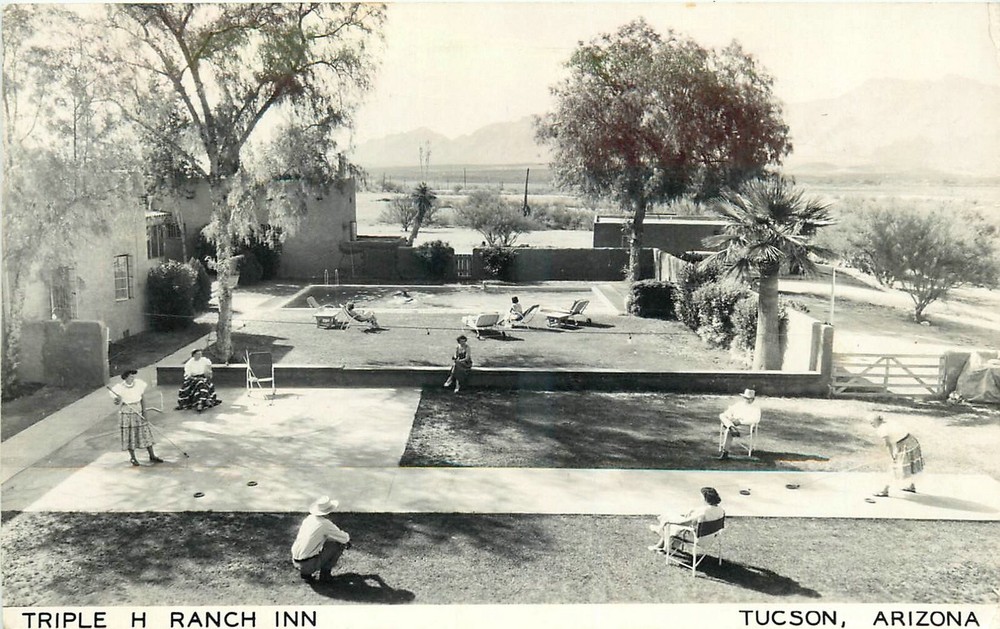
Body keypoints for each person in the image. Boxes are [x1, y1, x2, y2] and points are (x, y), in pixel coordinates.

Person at [108, 369, 163, 466]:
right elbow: (116, 402)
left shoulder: (138, 384)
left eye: (133, 376)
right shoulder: (119, 388)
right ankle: (133, 458)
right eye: (131, 376)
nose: (133, 378)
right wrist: (117, 399)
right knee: (130, 435)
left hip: (139, 410)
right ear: (125, 378)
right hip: (127, 413)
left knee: (145, 433)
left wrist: (145, 411)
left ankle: (152, 455)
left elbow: (142, 398)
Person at [291, 495, 351, 583]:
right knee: (339, 544)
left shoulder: (308, 519)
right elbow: (344, 538)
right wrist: (347, 541)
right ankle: (325, 575)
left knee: (327, 540)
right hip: (307, 565)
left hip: (295, 561)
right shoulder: (325, 523)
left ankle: (305, 574)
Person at [648, 487, 725, 553]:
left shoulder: (703, 512)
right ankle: (662, 546)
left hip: (697, 538)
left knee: (669, 524)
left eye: (701, 497)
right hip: (709, 537)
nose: (700, 498)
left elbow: (685, 523)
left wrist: (669, 522)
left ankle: (660, 531)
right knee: (670, 516)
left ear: (705, 498)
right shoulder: (720, 510)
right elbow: (706, 512)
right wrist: (692, 510)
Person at [870, 413, 923, 497]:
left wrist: (892, 456)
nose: (871, 424)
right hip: (912, 441)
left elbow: (888, 444)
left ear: (878, 421)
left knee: (894, 467)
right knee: (911, 464)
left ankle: (884, 490)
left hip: (905, 445)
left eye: (872, 422)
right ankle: (911, 486)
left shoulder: (882, 429)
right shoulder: (887, 422)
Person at [718, 388, 761, 460]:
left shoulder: (755, 408)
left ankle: (725, 453)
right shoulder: (739, 405)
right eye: (746, 398)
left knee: (728, 431)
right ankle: (731, 427)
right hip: (734, 424)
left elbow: (756, 419)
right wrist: (731, 418)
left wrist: (741, 422)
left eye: (750, 398)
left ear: (753, 399)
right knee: (722, 415)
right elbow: (728, 412)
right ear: (744, 397)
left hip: (745, 427)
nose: (748, 400)